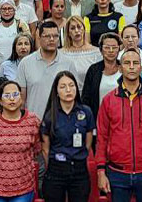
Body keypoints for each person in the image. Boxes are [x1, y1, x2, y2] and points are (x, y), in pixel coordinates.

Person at [95, 49, 142, 202]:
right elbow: (102, 138)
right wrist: (101, 172)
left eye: (135, 63)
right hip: (117, 173)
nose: (131, 66)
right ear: (120, 68)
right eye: (127, 63)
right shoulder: (109, 100)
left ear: (141, 69)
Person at [0, 80, 42, 202]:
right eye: (7, 95)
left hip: (23, 186)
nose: (12, 99)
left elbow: (37, 149)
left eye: (15, 95)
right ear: (0, 100)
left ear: (21, 98)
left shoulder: (33, 121)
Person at [40, 71, 94, 202]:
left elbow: (88, 143)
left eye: (71, 85)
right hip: (56, 171)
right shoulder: (49, 115)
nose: (68, 90)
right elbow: (45, 149)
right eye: (63, 87)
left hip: (79, 170)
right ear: (56, 91)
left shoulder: (86, 112)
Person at [16, 20, 74, 118]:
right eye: (47, 36)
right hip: (33, 122)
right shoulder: (26, 63)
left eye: (55, 36)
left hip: (61, 122)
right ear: (39, 38)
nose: (52, 39)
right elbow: (21, 99)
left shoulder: (68, 63)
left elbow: (73, 95)